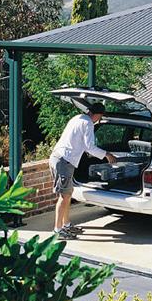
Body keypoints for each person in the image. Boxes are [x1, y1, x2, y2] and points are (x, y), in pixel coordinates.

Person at [50, 103, 116, 240]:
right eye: (100, 117)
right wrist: (107, 154)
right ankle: (57, 230)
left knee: (68, 193)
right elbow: (89, 147)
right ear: (98, 115)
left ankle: (66, 225)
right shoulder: (88, 124)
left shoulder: (78, 117)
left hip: (60, 158)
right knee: (64, 196)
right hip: (64, 161)